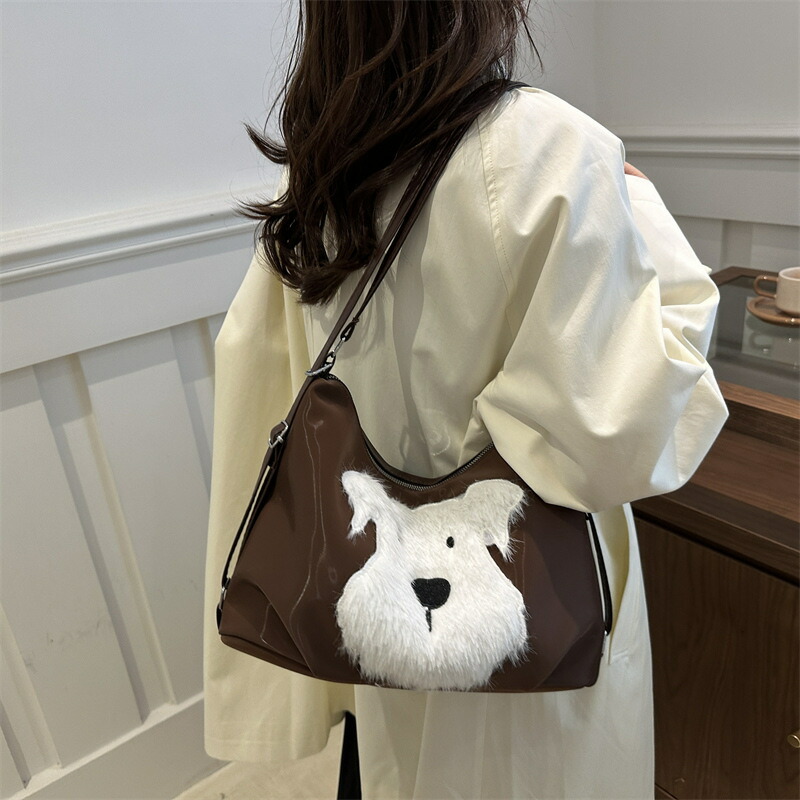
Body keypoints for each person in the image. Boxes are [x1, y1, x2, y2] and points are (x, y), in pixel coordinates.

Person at [202, 2, 729, 797]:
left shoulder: (320, 174)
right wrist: (643, 206)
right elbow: (622, 429)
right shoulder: (555, 150)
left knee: (402, 769)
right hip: (534, 626)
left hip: (383, 609)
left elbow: (264, 389)